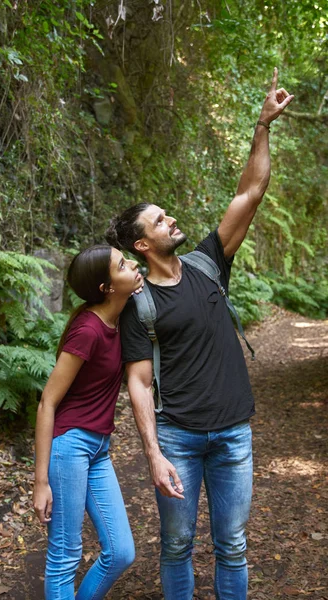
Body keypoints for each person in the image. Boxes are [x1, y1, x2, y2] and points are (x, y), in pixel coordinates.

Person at [105, 68, 294, 600]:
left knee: (232, 544)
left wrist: (263, 125)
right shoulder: (137, 303)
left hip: (234, 431)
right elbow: (138, 383)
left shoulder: (209, 263)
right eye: (159, 221)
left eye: (166, 215)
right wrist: (153, 454)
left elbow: (252, 191)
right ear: (142, 245)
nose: (170, 221)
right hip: (179, 438)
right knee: (177, 544)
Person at [33, 244, 143, 600]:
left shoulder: (120, 315)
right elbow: (48, 400)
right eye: (123, 264)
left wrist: (134, 285)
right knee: (65, 556)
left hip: (98, 448)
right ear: (105, 288)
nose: (134, 264)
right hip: (70, 446)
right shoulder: (88, 331)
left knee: (121, 552)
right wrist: (40, 482)